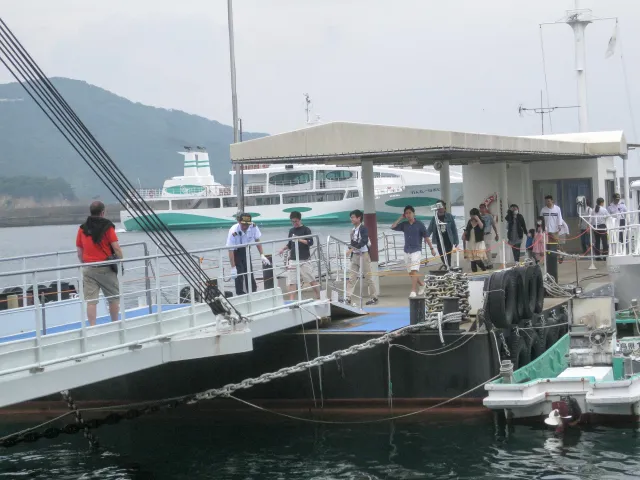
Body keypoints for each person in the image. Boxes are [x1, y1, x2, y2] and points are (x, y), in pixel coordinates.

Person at [75, 201, 123, 326]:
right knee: (113, 297)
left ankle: (92, 326)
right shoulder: (108, 227)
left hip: (88, 269)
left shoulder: (82, 228)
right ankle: (115, 323)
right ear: (103, 212)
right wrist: (121, 259)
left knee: (91, 301)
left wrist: (85, 262)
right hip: (105, 268)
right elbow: (116, 247)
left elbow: (79, 252)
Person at [278, 211, 320, 301]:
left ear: (300, 220)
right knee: (292, 281)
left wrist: (299, 239)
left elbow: (310, 242)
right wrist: (282, 249)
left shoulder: (306, 229)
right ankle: (292, 300)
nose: (294, 223)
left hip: (304, 258)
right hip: (293, 258)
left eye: (296, 221)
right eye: (292, 221)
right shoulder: (291, 230)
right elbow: (290, 244)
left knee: (310, 279)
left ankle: (318, 295)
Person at [391, 205, 432, 297]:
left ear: (414, 213)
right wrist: (401, 218)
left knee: (414, 270)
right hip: (407, 250)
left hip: (416, 250)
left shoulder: (420, 224)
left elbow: (426, 237)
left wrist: (431, 248)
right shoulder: (404, 224)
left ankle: (413, 291)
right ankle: (422, 285)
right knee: (410, 272)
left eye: (410, 213)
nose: (408, 215)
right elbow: (393, 227)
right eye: (406, 213)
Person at [226, 213, 271, 295]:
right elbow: (230, 250)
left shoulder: (253, 226)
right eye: (243, 224)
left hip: (246, 250)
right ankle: (240, 294)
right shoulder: (234, 231)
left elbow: (257, 240)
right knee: (239, 274)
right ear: (239, 222)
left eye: (247, 224)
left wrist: (262, 255)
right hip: (236, 252)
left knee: (249, 272)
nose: (245, 226)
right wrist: (233, 267)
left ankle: (253, 292)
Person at [344, 210, 378, 305]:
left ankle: (374, 297)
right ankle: (348, 297)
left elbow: (364, 240)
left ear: (359, 218)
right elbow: (353, 243)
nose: (351, 219)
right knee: (351, 277)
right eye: (351, 217)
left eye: (353, 217)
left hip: (363, 254)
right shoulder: (353, 230)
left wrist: (351, 249)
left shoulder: (363, 228)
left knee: (368, 277)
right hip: (355, 255)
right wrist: (351, 249)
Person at [426, 200, 459, 270]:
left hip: (448, 239)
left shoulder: (449, 216)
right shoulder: (434, 218)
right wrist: (426, 236)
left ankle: (448, 268)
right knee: (442, 255)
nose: (440, 208)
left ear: (444, 207)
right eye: (438, 206)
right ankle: (447, 267)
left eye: (441, 206)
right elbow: (429, 229)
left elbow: (454, 229)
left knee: (448, 255)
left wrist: (456, 240)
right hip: (439, 240)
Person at [540, 195, 565, 264]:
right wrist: (540, 227)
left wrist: (559, 225)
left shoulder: (557, 209)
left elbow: (560, 217)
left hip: (555, 230)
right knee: (547, 245)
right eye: (546, 201)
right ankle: (548, 259)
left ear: (552, 201)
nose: (547, 202)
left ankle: (561, 256)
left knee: (557, 244)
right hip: (546, 230)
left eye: (548, 201)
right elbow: (540, 219)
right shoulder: (543, 209)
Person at [461, 208, 487, 272]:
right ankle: (474, 273)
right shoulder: (469, 222)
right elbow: (467, 230)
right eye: (470, 215)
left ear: (476, 215)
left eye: (472, 215)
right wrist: (464, 234)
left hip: (478, 243)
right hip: (470, 242)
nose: (471, 216)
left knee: (477, 259)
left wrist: (477, 219)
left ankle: (484, 269)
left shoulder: (481, 221)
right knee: (472, 261)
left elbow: (482, 227)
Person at [479, 203, 499, 268]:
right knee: (482, 250)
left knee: (487, 250)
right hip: (480, 235)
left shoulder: (489, 216)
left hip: (487, 234)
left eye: (483, 208)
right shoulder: (478, 217)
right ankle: (485, 264)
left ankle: (490, 263)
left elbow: (493, 225)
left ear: (485, 208)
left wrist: (496, 234)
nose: (482, 209)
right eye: (480, 208)